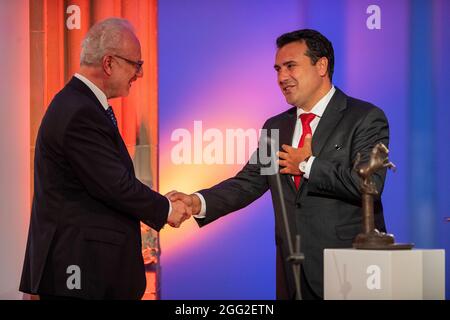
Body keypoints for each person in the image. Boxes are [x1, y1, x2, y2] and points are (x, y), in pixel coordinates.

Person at [171, 29, 389, 300]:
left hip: (349, 269)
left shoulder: (364, 118)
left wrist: (308, 164)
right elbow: (248, 182)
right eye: (277, 69)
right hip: (292, 271)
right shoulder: (276, 126)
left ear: (321, 65)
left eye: (290, 66)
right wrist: (196, 202)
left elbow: (368, 185)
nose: (281, 77)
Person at [19, 18, 191, 300]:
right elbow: (115, 186)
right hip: (79, 272)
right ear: (109, 63)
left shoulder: (79, 105)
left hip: (85, 271)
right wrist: (167, 209)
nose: (140, 74)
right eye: (136, 64)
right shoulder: (79, 112)